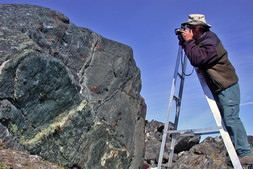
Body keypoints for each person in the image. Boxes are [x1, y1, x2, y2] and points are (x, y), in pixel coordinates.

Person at [179, 14, 252, 165]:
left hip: (227, 86)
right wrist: (186, 44)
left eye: (190, 28)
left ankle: (245, 153)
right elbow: (195, 56)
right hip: (220, 87)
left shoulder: (210, 41)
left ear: (198, 27)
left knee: (231, 119)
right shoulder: (201, 41)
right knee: (227, 120)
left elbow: (198, 59)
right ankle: (236, 154)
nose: (188, 31)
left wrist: (189, 41)